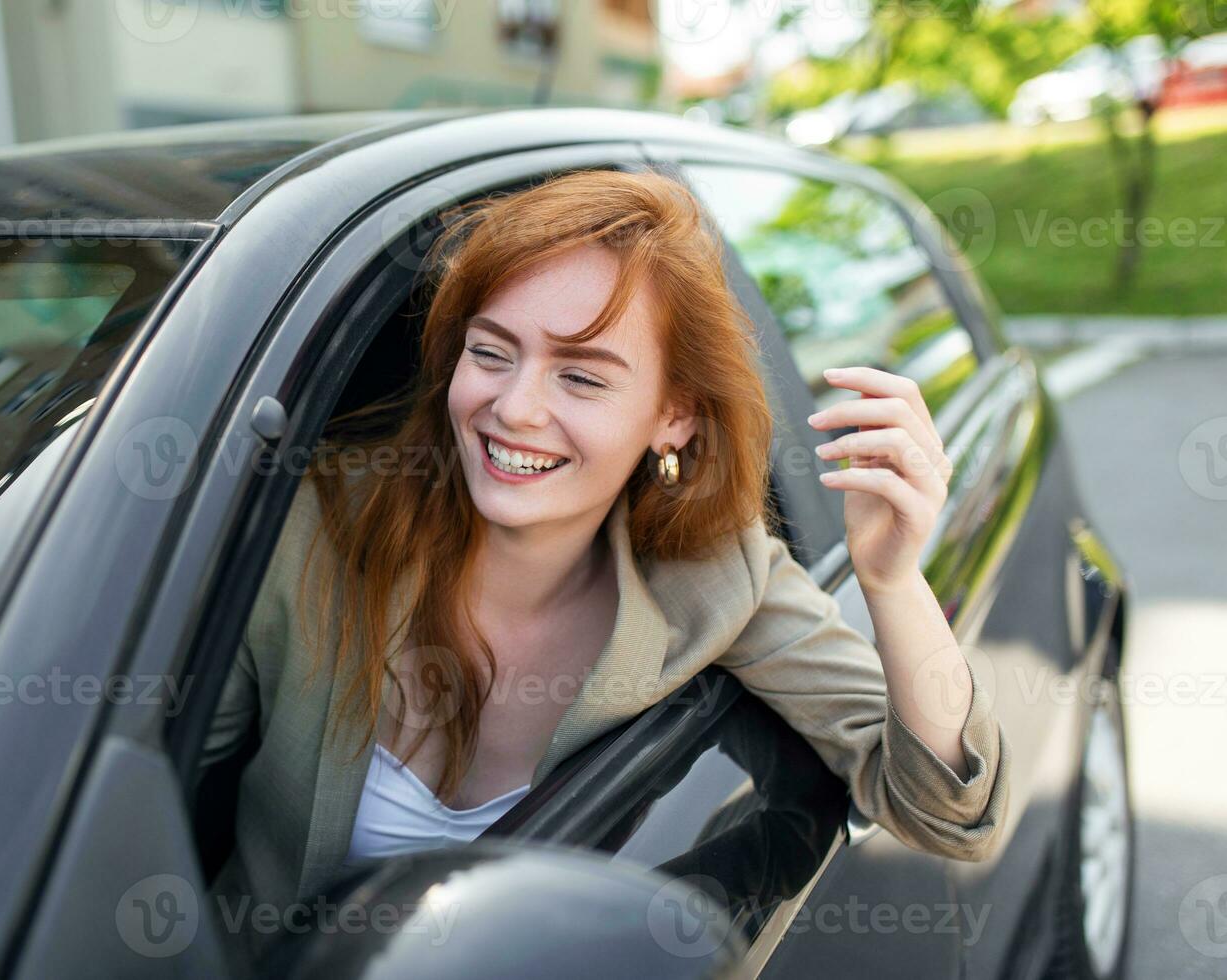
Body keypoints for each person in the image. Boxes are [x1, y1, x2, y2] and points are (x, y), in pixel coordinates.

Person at [200, 167, 1010, 952]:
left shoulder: (718, 578)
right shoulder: (314, 523)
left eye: (581, 376)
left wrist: (891, 581)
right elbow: (160, 792)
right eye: (491, 352)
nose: (514, 408)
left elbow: (946, 810)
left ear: (675, 417)